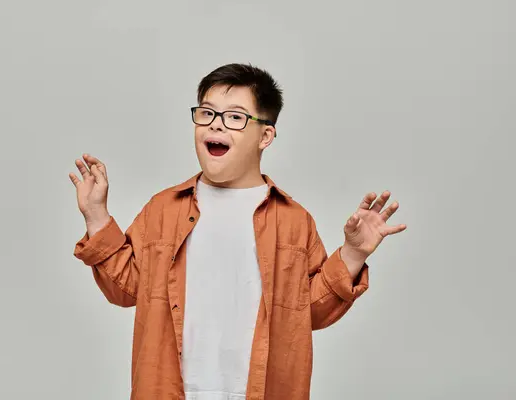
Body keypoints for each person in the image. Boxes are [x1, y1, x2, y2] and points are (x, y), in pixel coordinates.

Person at [69, 63, 406, 399]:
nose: (217, 124)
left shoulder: (293, 222)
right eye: (207, 113)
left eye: (235, 117)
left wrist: (353, 254)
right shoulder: (162, 210)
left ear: (265, 136)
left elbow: (309, 314)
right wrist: (96, 216)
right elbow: (125, 290)